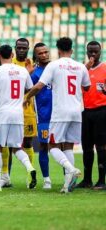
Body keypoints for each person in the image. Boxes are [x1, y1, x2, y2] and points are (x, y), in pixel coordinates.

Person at [25, 37, 90, 193]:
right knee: (68, 146)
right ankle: (67, 186)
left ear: (58, 51)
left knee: (52, 145)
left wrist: (27, 97)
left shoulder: (54, 65)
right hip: (76, 111)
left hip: (60, 112)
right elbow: (87, 87)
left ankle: (71, 169)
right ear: (72, 50)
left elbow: (39, 86)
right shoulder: (80, 66)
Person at [0, 44, 37, 192]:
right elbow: (31, 89)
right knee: (16, 147)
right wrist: (25, 99)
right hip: (18, 114)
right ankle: (29, 167)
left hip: (1, 114)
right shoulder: (23, 71)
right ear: (12, 55)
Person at [76, 41, 106, 189]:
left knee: (101, 147)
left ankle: (102, 180)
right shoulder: (81, 69)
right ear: (86, 52)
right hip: (85, 112)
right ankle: (87, 180)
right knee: (86, 147)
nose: (93, 55)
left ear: (100, 52)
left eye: (95, 52)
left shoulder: (105, 68)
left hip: (102, 111)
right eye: (90, 52)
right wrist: (84, 68)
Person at [12, 38, 37, 187]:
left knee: (27, 142)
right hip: (13, 109)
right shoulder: (10, 64)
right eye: (19, 48)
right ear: (15, 48)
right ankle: (5, 175)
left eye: (24, 48)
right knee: (8, 144)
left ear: (28, 49)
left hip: (28, 110)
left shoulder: (33, 66)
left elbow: (35, 89)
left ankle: (30, 174)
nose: (21, 50)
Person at [31, 43, 52, 189]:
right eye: (40, 53)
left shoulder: (57, 69)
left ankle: (67, 177)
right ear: (36, 56)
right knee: (44, 146)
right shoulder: (34, 74)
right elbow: (28, 92)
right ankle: (47, 180)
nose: (44, 55)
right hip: (43, 116)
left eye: (46, 52)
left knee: (63, 147)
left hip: (60, 115)